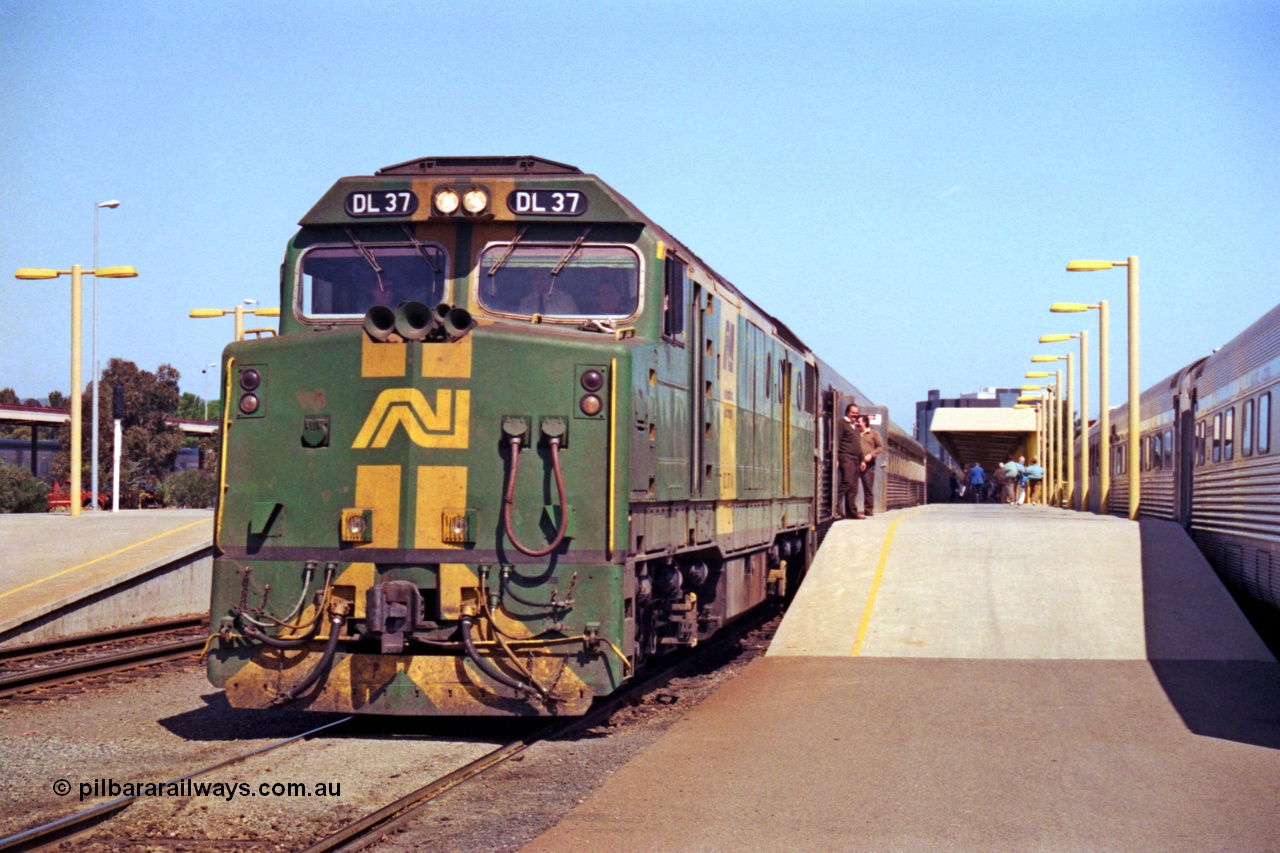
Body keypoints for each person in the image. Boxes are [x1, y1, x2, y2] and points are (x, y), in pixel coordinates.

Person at [837, 402, 864, 519]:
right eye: (853, 413)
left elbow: (858, 445)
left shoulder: (854, 427)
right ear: (847, 412)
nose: (855, 415)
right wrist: (836, 457)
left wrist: (862, 460)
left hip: (855, 459)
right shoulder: (842, 423)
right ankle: (833, 503)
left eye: (857, 413)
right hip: (846, 456)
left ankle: (851, 512)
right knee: (847, 481)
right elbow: (837, 439)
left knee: (853, 487)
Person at [856, 415, 883, 517]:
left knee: (868, 487)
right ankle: (852, 509)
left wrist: (871, 455)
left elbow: (880, 447)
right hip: (856, 462)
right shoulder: (856, 433)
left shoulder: (873, 434)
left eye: (859, 422)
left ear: (865, 423)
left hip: (869, 464)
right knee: (852, 487)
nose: (857, 423)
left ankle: (868, 509)